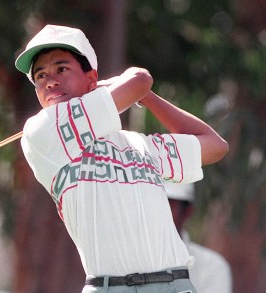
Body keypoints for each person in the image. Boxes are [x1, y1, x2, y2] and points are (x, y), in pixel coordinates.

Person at [14, 24, 229, 293]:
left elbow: (215, 145)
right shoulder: (40, 132)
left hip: (175, 285)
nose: (50, 81)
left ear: (91, 78)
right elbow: (140, 78)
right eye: (40, 75)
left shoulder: (140, 145)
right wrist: (135, 87)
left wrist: (147, 98)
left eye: (62, 69)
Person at [165, 182, 233, 293]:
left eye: (167, 204)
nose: (156, 213)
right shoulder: (128, 260)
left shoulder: (212, 267)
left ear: (187, 211)